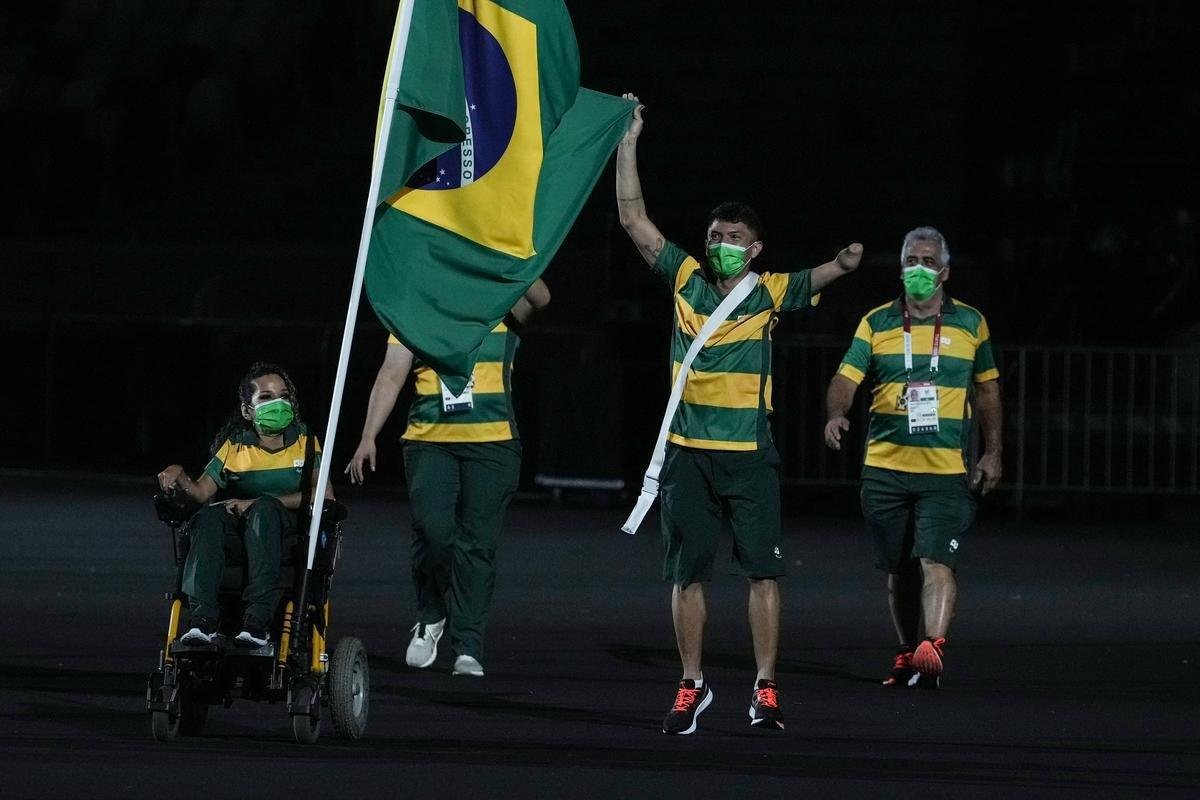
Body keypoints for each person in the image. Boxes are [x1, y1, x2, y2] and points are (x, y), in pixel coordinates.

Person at [616, 93, 862, 734]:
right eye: (714, 237)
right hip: (687, 455)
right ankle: (691, 686)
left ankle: (765, 687)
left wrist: (844, 264)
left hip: (749, 455)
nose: (720, 245)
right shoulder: (684, 278)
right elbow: (633, 217)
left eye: (733, 239)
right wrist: (628, 140)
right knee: (685, 576)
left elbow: (819, 276)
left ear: (754, 250)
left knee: (763, 574)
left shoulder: (769, 291)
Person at [823, 226, 1002, 688]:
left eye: (928, 262)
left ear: (945, 272)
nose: (918, 269)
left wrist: (993, 452)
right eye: (910, 261)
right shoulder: (876, 322)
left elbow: (987, 390)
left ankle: (933, 647)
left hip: (945, 472)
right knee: (900, 569)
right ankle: (907, 653)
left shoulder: (971, 323)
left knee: (935, 561)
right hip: (885, 470)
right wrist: (836, 413)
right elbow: (845, 379)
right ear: (900, 268)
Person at [346, 280, 550, 678]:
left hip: (493, 444)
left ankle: (468, 644)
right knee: (433, 532)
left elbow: (541, 298)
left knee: (478, 546)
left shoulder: (502, 305)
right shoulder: (416, 314)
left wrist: (515, 255)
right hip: (430, 442)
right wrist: (368, 436)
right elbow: (390, 376)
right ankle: (431, 614)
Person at [157, 362, 332, 647]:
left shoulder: (305, 441)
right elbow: (200, 492)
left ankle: (257, 622)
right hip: (240, 530)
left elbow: (324, 495)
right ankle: (202, 620)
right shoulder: (236, 445)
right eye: (266, 397)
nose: (278, 403)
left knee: (264, 510)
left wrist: (258, 502)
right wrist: (180, 475)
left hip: (284, 530)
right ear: (247, 411)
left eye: (283, 396)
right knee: (207, 517)